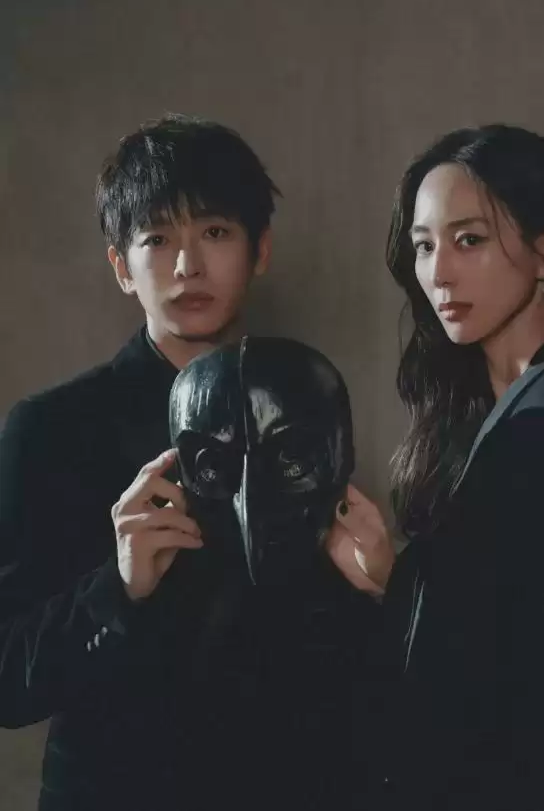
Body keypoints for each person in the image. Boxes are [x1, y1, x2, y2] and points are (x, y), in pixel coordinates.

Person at [0, 114, 386, 811]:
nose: (188, 267)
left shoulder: (309, 404)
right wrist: (117, 587)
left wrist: (381, 592)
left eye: (214, 232)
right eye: (157, 239)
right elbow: (7, 679)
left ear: (259, 249)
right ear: (121, 267)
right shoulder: (53, 429)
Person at [356, 124, 544, 809]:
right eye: (424, 245)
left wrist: (398, 582)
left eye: (469, 240)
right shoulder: (472, 407)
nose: (439, 273)